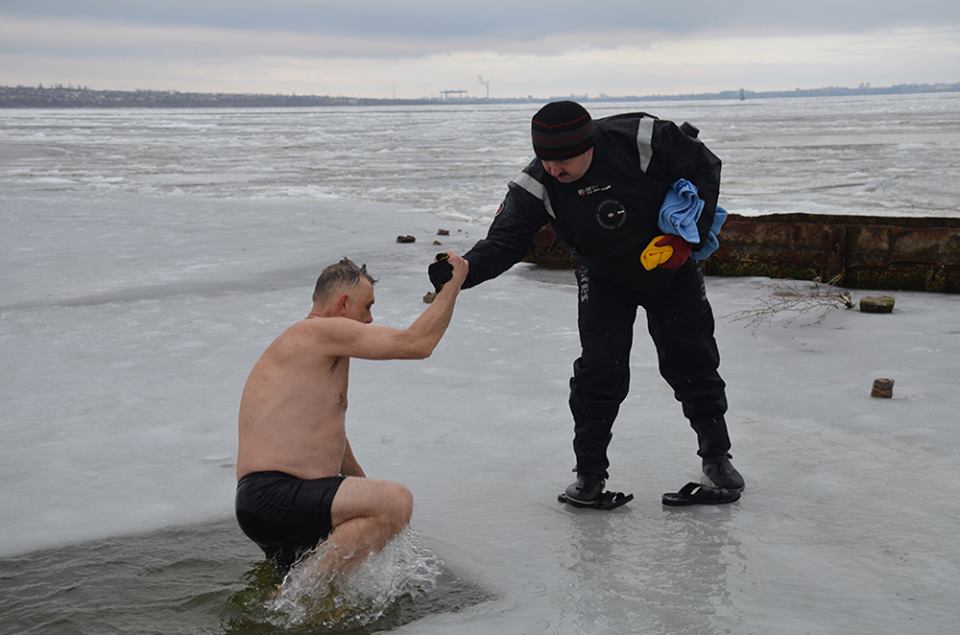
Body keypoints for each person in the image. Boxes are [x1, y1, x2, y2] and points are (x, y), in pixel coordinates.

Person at [430, 100, 743, 508]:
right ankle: (589, 474)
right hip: (603, 276)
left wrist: (690, 237)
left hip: (670, 265)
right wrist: (462, 272)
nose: (555, 170)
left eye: (564, 162)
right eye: (546, 160)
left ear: (590, 145)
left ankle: (717, 457)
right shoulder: (537, 183)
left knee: (692, 358)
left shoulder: (641, 138)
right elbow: (505, 243)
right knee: (600, 371)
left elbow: (705, 166)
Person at [236, 253, 469, 572]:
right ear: (343, 305)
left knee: (374, 513)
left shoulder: (315, 350)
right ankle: (302, 599)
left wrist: (362, 486)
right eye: (368, 306)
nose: (371, 319)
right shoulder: (317, 332)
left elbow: (331, 438)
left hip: (273, 499)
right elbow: (417, 344)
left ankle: (301, 602)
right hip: (276, 493)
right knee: (396, 501)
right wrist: (453, 285)